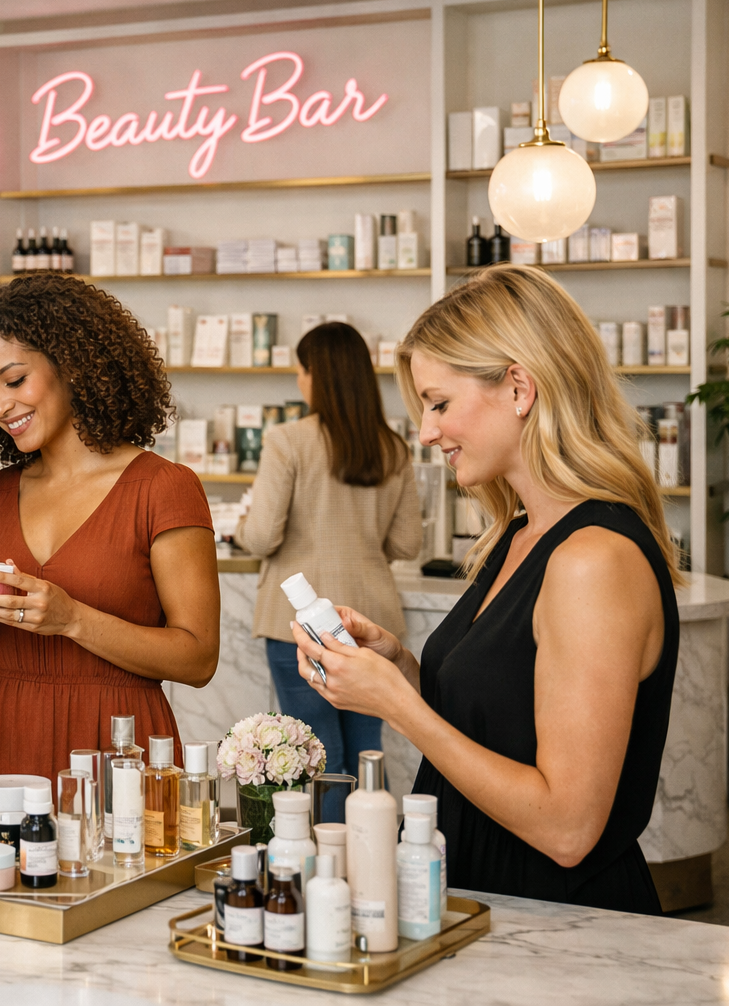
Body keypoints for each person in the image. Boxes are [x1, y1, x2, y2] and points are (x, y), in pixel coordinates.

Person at [291, 265, 679, 912]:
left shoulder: (593, 560)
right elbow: (502, 722)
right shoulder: (519, 535)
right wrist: (404, 671)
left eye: (439, 404)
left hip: (559, 929)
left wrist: (399, 708)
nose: (426, 432)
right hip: (481, 898)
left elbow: (568, 828)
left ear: (520, 388)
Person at [0, 274, 220, 820]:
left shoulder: (162, 487)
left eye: (14, 380)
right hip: (6, 741)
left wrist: (71, 619)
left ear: (72, 364)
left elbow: (198, 657)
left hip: (118, 747)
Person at [236, 322, 420, 788]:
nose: (299, 379)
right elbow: (407, 544)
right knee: (365, 754)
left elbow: (261, 538)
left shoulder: (288, 440)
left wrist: (238, 527)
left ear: (315, 374)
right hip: (371, 622)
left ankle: (326, 861)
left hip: (298, 623)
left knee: (317, 756)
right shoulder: (392, 447)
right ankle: (367, 855)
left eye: (301, 370)